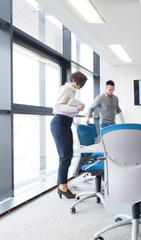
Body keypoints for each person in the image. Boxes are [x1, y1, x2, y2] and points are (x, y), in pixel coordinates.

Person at [51, 71, 88, 199]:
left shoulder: (72, 90)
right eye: (81, 83)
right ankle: (62, 186)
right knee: (64, 156)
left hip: (65, 123)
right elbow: (57, 107)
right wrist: (76, 109)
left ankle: (63, 185)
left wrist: (73, 118)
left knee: (68, 155)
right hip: (59, 123)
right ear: (76, 81)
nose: (81, 86)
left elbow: (66, 108)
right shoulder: (66, 88)